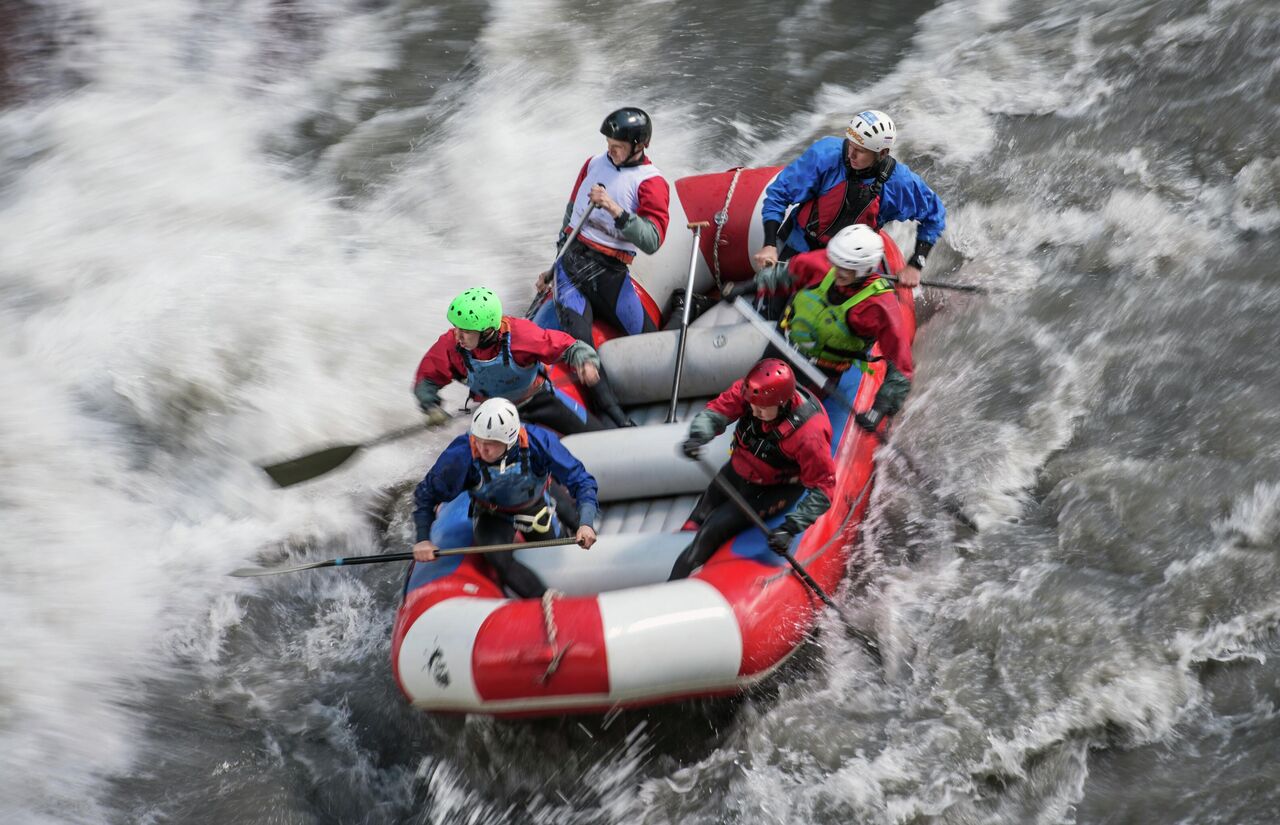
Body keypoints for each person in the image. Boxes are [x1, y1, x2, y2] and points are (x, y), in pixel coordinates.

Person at [534, 107, 671, 427]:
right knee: (584, 356)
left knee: (652, 345)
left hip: (611, 275)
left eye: (618, 145)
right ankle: (617, 421)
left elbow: (652, 240)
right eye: (609, 142)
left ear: (639, 145)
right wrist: (553, 268)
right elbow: (570, 218)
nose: (610, 148)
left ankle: (681, 309)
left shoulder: (651, 183)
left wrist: (614, 208)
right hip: (572, 270)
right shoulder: (593, 165)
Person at [411, 398, 600, 598]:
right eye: (479, 440)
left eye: (491, 444)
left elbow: (582, 480)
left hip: (533, 506)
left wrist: (586, 523)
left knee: (556, 550)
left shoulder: (539, 442)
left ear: (510, 442)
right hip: (492, 513)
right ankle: (545, 599)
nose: (482, 449)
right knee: (497, 557)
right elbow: (426, 495)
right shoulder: (462, 453)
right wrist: (423, 538)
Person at [671, 359, 836, 580]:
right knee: (697, 517)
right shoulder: (752, 394)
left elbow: (824, 487)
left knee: (712, 529)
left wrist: (790, 528)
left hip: (771, 491)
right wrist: (698, 435)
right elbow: (718, 411)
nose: (754, 411)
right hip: (738, 470)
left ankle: (673, 586)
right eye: (752, 406)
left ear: (783, 403)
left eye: (762, 408)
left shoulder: (809, 435)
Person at [751, 109, 945, 288]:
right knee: (771, 300)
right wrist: (769, 244)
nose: (851, 154)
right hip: (799, 243)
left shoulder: (901, 183)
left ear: (882, 153)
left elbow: (934, 216)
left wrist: (915, 264)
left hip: (848, 263)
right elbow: (779, 193)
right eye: (850, 145)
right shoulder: (825, 155)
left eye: (860, 150)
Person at [757, 224, 913, 433]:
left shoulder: (879, 307)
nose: (837, 271)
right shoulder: (825, 263)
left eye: (845, 269)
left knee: (781, 421)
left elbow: (901, 369)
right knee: (755, 393)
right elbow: (783, 276)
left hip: (817, 370)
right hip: (782, 345)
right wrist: (746, 287)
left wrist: (878, 409)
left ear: (864, 270)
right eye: (836, 263)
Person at [413, 287, 607, 435]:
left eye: (465, 331)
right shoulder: (451, 345)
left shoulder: (521, 335)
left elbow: (569, 347)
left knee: (596, 435)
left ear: (488, 331)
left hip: (538, 400)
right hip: (493, 413)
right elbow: (426, 380)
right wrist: (431, 407)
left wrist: (586, 362)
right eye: (456, 328)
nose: (458, 336)